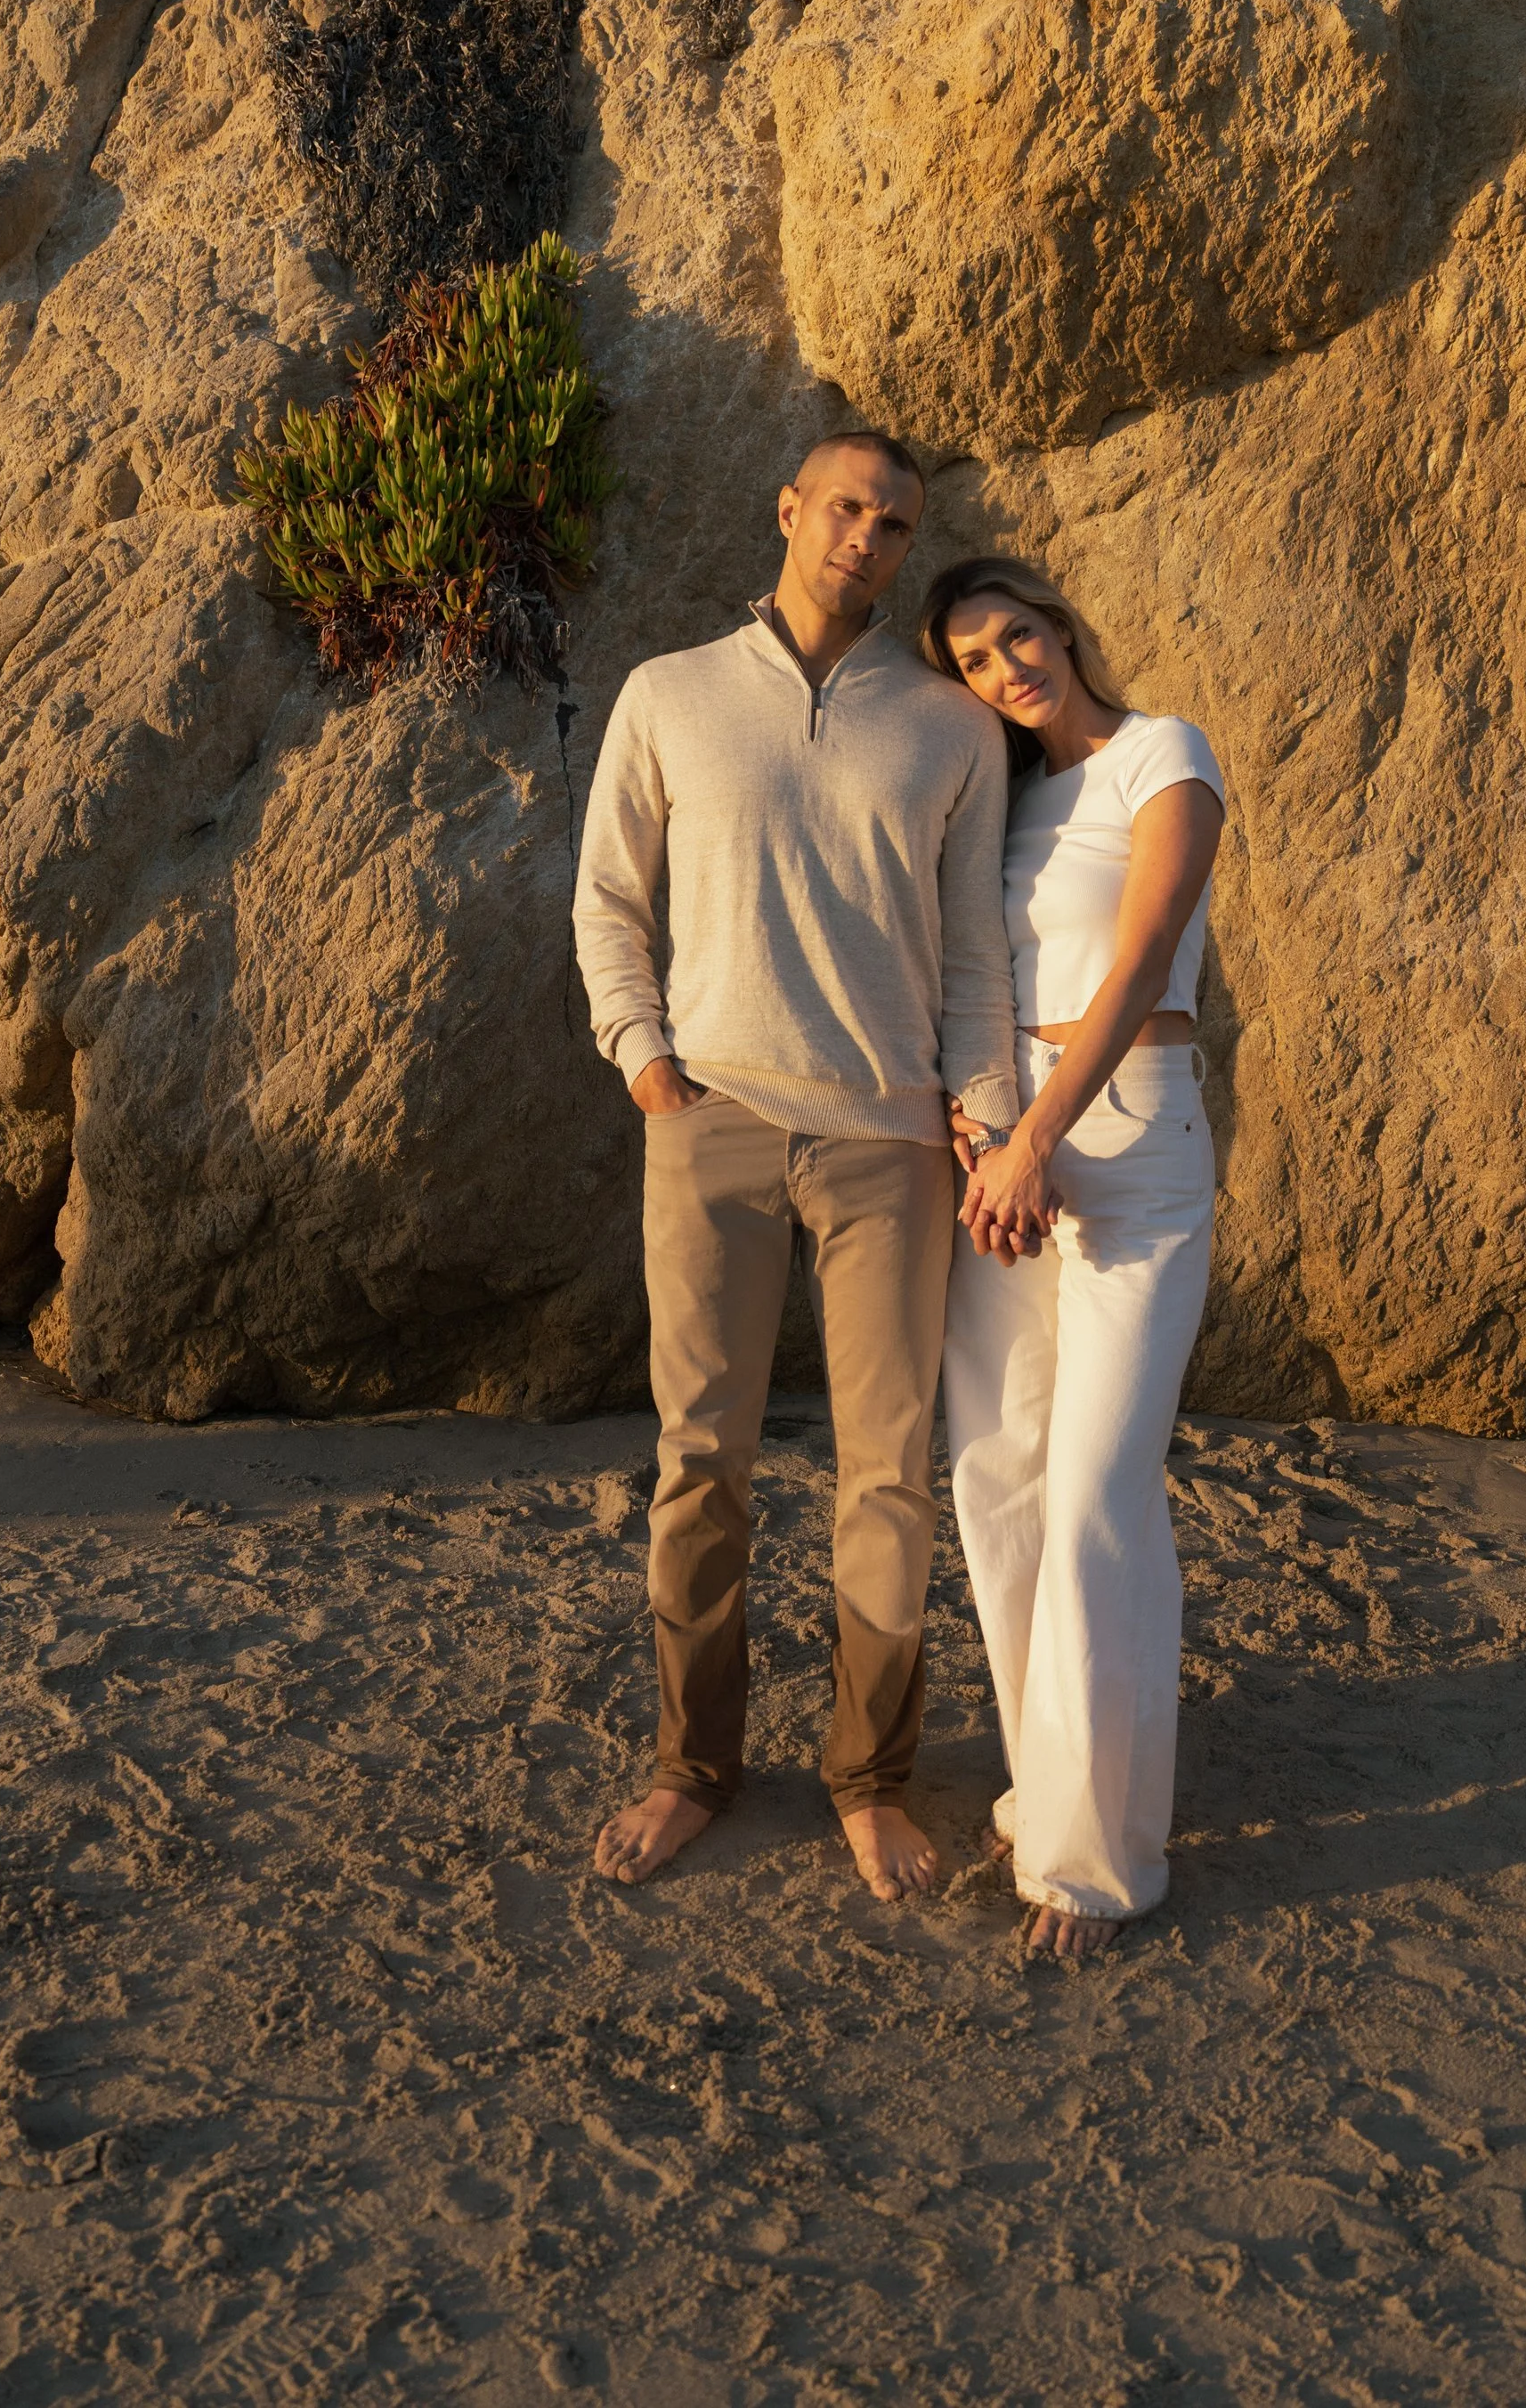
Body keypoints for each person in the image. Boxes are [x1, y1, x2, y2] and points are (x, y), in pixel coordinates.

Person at [572, 435, 1028, 1899]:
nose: (865, 537)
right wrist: (644, 1057)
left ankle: (869, 1778)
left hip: (892, 1144)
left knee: (888, 1472)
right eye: (845, 508)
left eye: (893, 523)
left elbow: (976, 955)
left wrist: (990, 1118)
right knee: (699, 1460)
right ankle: (692, 1767)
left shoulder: (953, 728)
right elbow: (608, 898)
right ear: (788, 509)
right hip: (710, 1122)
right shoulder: (669, 693)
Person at [921, 556, 1225, 1961]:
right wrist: (987, 1131)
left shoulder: (1165, 754)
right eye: (974, 661)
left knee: (1100, 1486)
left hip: (1134, 1141)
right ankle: (1047, 1787)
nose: (1006, 669)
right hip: (1012, 1143)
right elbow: (975, 979)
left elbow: (1145, 950)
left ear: (1061, 625)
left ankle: (1098, 1861)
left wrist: (1038, 1139)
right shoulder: (1007, 803)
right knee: (1000, 1474)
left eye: (1016, 635)